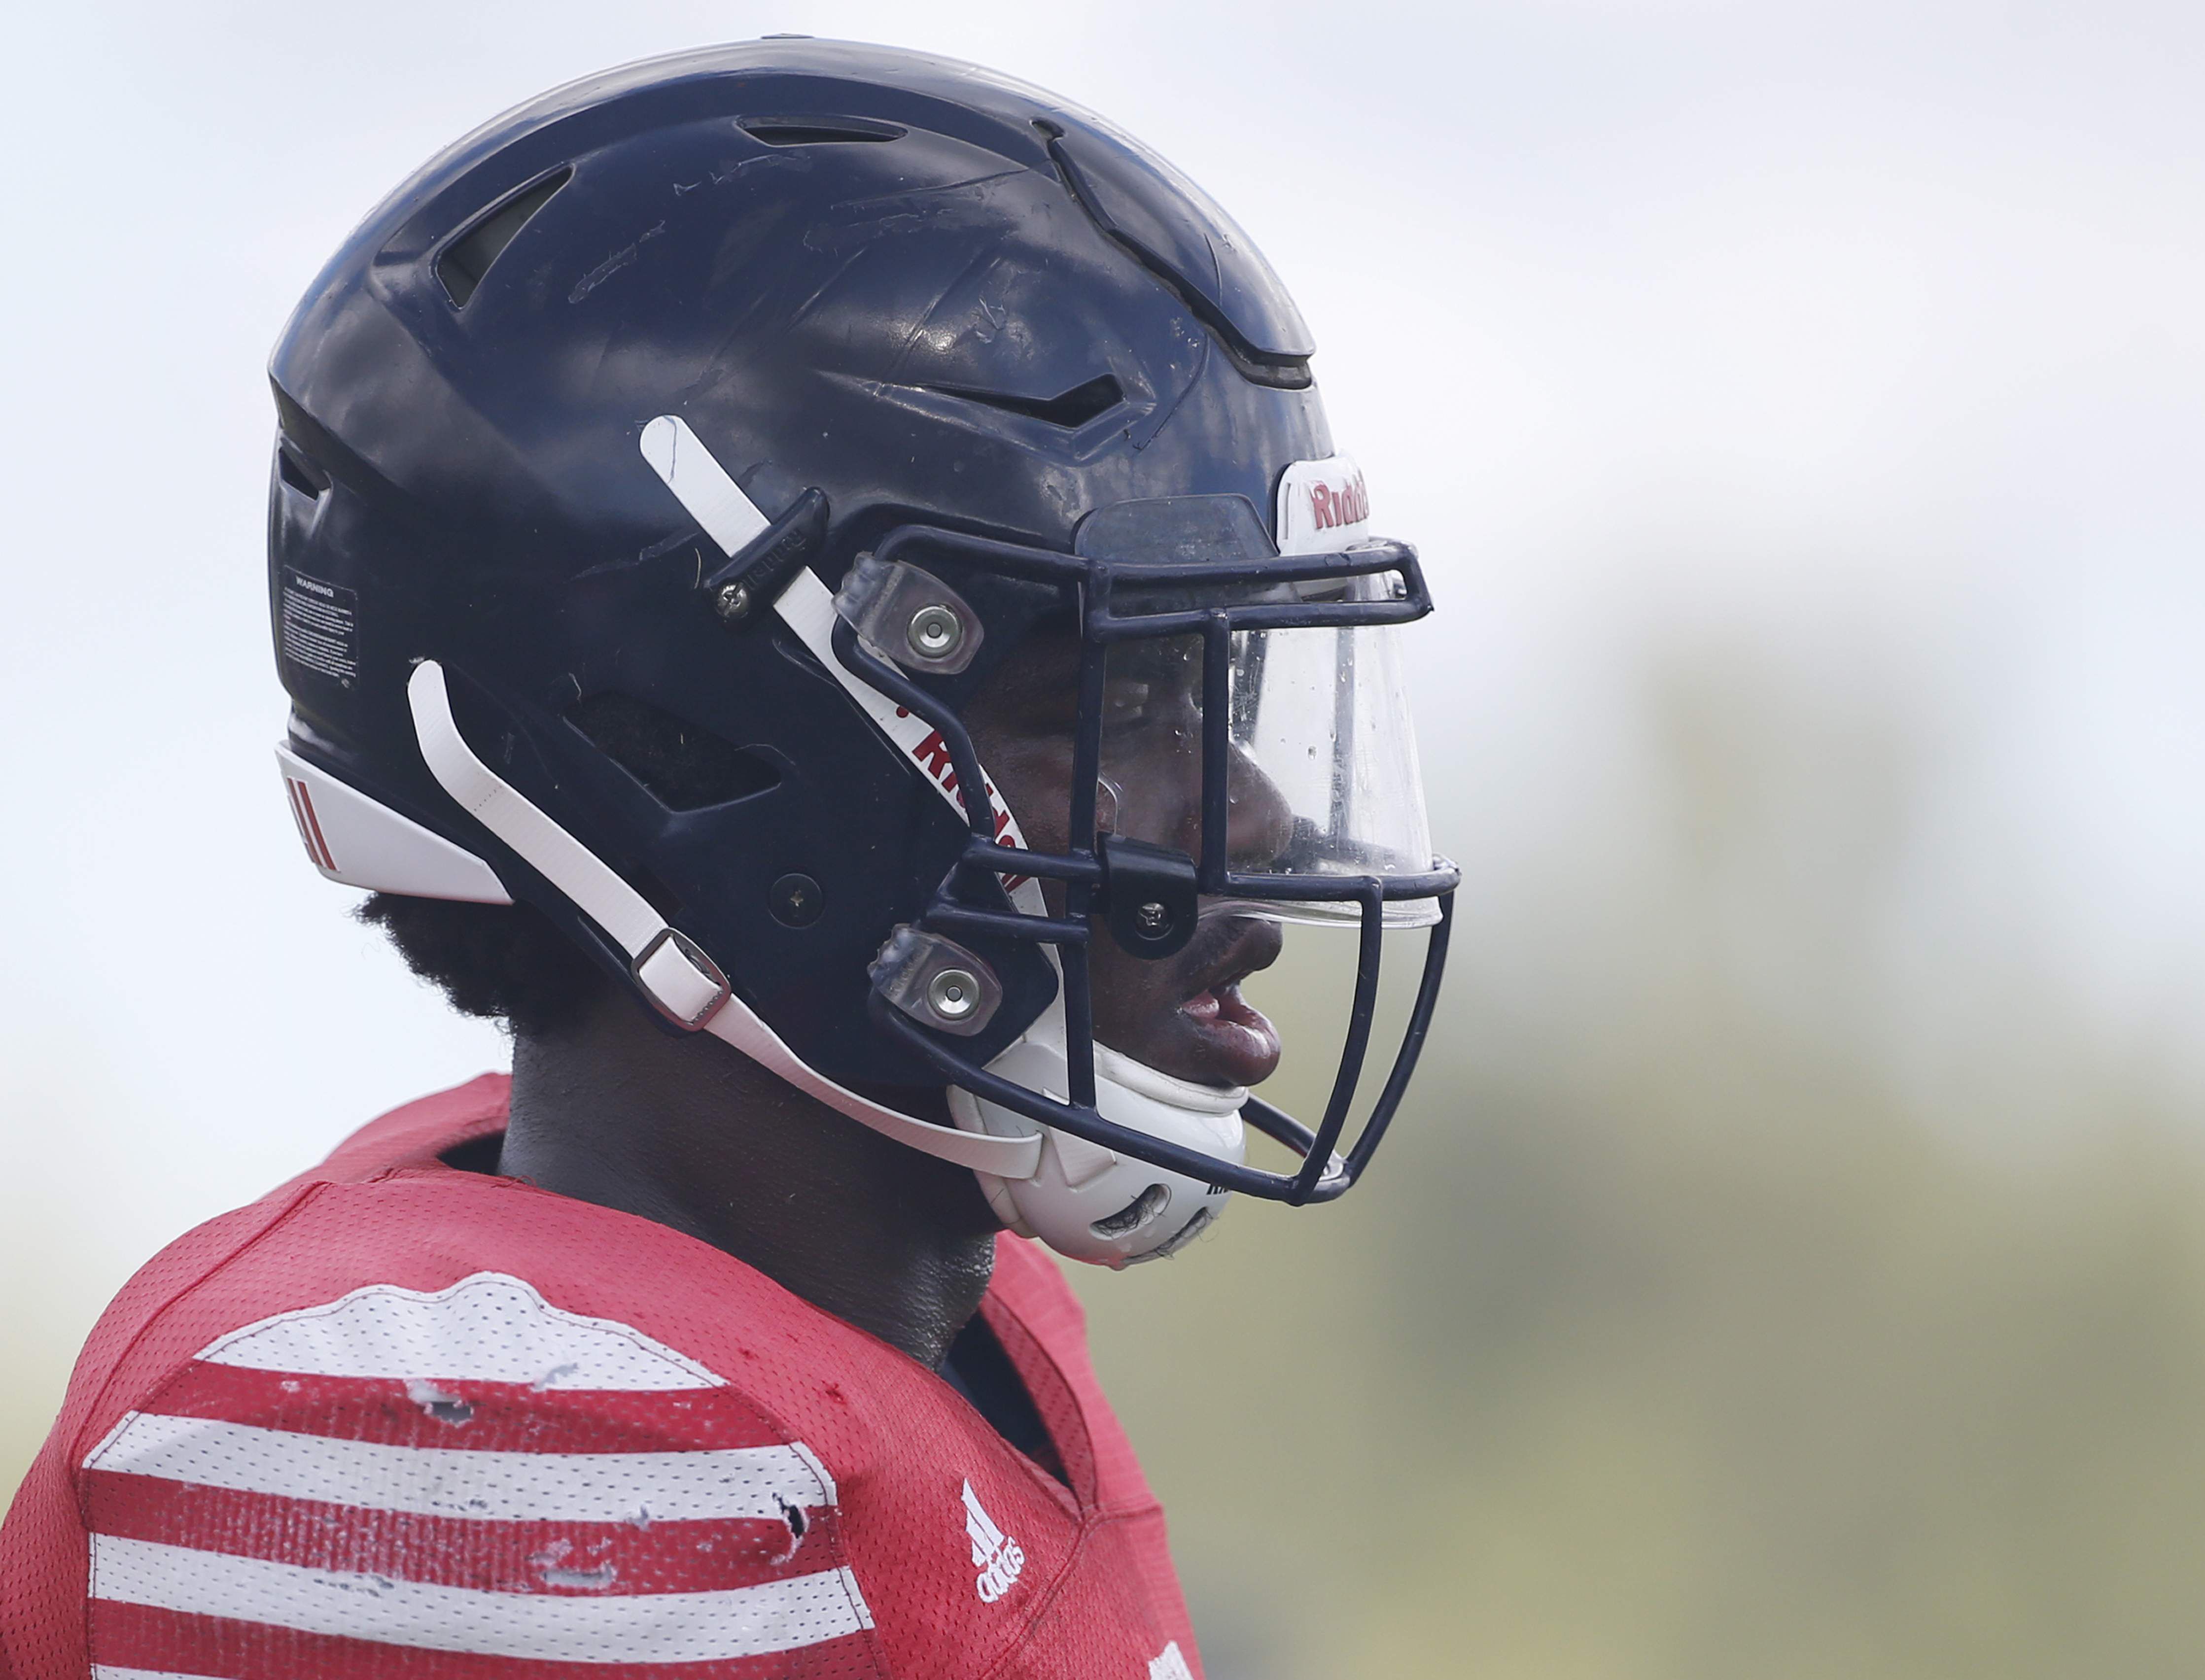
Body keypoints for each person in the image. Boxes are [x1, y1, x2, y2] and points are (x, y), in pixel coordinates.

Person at [0, 37, 1457, 1680]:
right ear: (676, 744)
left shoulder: (937, 1321)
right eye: (1102, 703)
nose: (1249, 815)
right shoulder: (500, 1430)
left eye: (1217, 692)